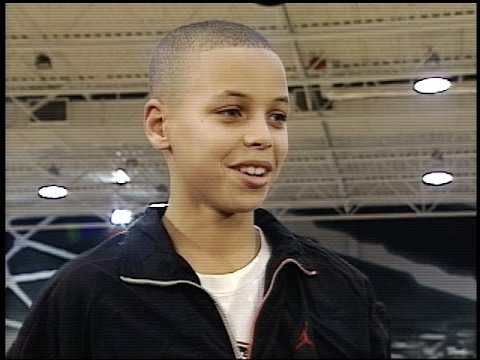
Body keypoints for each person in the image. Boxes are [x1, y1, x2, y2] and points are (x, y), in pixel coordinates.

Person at [7, 20, 391, 359]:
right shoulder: (85, 293)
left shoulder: (340, 289)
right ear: (160, 126)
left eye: (277, 117)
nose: (262, 136)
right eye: (231, 112)